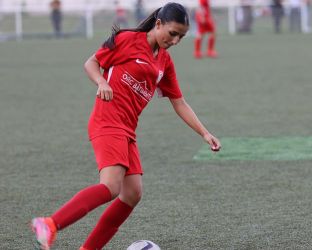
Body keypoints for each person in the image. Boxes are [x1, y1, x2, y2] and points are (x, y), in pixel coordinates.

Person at [30, 3, 221, 250]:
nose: (175, 40)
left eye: (181, 37)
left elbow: (179, 102)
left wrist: (205, 133)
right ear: (159, 24)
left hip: (128, 129)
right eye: (172, 33)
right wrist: (101, 82)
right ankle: (49, 224)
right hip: (107, 120)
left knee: (132, 194)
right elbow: (91, 63)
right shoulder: (128, 40)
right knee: (110, 186)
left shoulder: (164, 62)